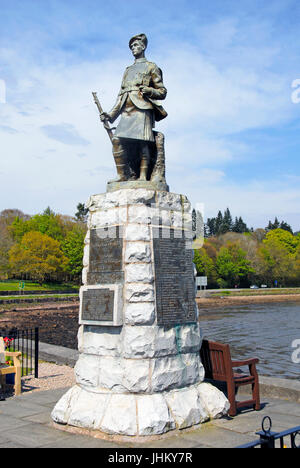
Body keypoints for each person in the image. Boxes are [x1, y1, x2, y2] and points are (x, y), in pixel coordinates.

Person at [100, 33, 167, 182]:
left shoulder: (152, 67)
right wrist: (110, 115)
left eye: (136, 45)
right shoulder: (128, 70)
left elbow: (162, 92)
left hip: (143, 108)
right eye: (131, 47)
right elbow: (121, 95)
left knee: (143, 143)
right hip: (127, 111)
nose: (133, 48)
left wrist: (150, 90)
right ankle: (122, 174)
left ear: (143, 46)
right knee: (117, 140)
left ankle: (143, 177)